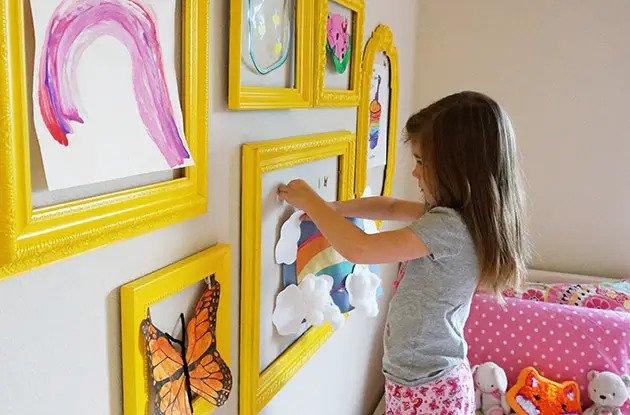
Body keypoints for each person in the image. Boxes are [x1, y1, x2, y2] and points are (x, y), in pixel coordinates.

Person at [278, 91, 528, 414]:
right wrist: (333, 209)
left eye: (422, 162)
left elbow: (360, 248)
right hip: (424, 382)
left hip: (427, 388)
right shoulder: (462, 219)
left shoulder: (450, 228)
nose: (415, 173)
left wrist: (311, 201)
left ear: (459, 169)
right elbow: (391, 206)